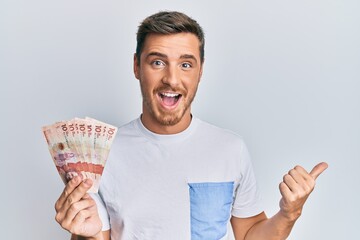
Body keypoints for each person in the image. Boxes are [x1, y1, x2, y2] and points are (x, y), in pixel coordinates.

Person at [54, 11, 328, 240]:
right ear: (137, 66)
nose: (172, 79)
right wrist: (83, 235)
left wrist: (289, 213)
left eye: (186, 64)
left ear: (201, 70)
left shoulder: (231, 149)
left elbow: (249, 235)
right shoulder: (103, 153)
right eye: (157, 62)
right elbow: (97, 236)